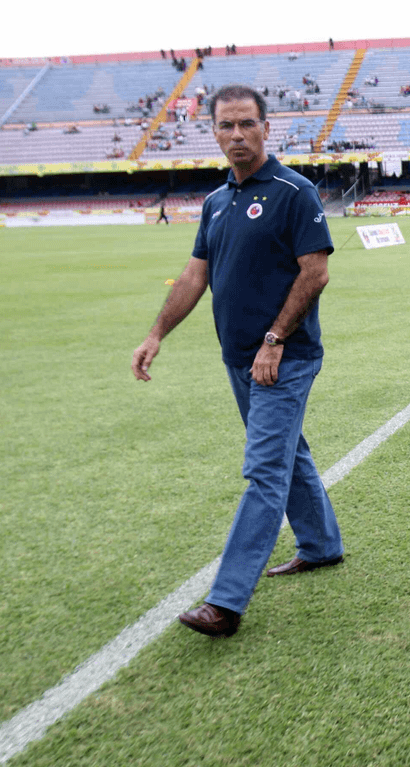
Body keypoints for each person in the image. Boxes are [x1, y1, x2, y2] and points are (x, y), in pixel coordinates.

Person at [131, 85, 344, 639]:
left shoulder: (294, 192)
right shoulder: (216, 202)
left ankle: (225, 603)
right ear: (215, 132)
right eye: (226, 126)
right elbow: (196, 274)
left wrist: (275, 339)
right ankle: (322, 546)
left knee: (264, 472)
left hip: (284, 357)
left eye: (247, 124)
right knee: (288, 454)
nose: (237, 136)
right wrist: (157, 332)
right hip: (238, 361)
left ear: (265, 128)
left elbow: (315, 272)